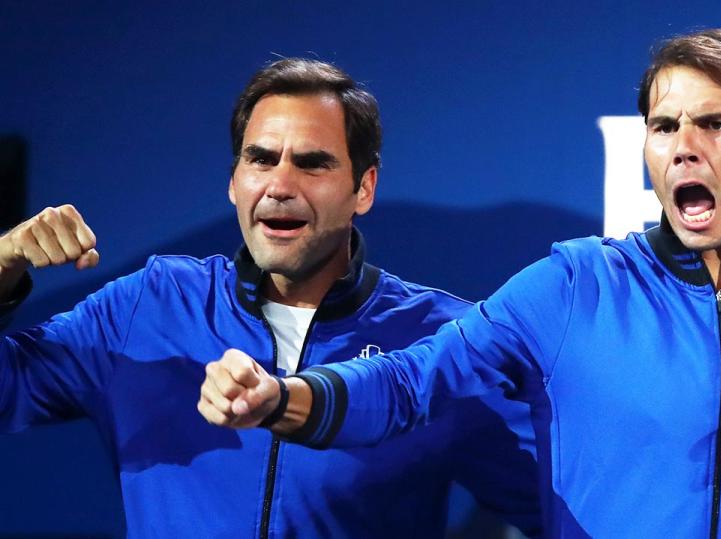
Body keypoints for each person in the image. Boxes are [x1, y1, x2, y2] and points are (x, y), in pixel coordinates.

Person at [201, 31, 721, 537]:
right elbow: (411, 382)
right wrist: (286, 397)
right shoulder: (575, 286)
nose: (683, 148)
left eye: (714, 125)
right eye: (664, 129)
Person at [0, 58, 541, 537]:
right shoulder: (150, 305)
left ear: (364, 187)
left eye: (312, 163)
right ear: (234, 182)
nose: (280, 185)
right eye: (260, 159)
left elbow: (567, 511)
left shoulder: (441, 340)